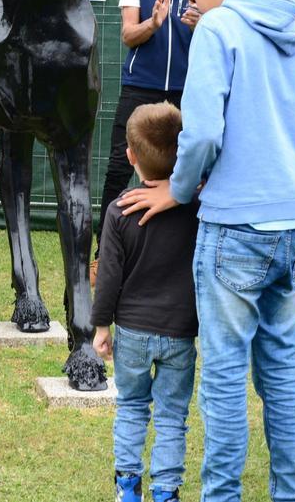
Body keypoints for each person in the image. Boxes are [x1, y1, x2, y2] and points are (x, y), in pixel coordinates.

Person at [119, 0, 295, 502]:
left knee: (223, 376)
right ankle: (294, 493)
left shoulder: (218, 32)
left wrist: (178, 189)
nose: (194, 7)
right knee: (281, 368)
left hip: (235, 226)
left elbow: (204, 132)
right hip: (293, 224)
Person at [92, 102, 199, 502]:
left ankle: (127, 488)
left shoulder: (119, 211)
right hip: (180, 332)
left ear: (130, 156)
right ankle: (167, 492)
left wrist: (101, 327)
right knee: (173, 417)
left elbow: (108, 277)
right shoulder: (197, 207)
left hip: (132, 332)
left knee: (131, 407)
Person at [96, 0, 199, 277]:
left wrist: (201, 23)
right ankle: (102, 253)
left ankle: (183, 254)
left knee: (188, 169)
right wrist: (153, 24)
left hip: (188, 91)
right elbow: (127, 34)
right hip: (141, 87)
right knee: (119, 167)